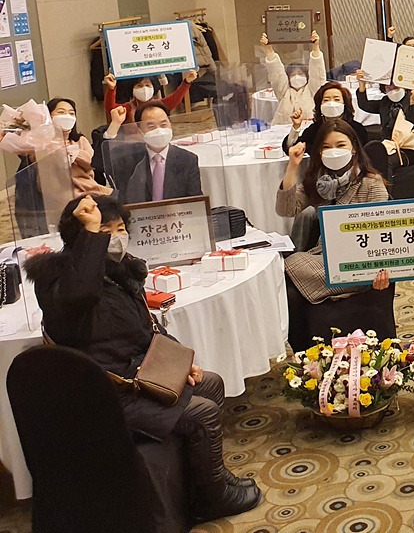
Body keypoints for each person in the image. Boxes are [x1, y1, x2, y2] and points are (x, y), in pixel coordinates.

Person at [26, 195, 261, 521]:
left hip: (137, 377)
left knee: (211, 384)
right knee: (202, 413)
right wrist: (91, 232)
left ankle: (206, 478)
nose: (115, 237)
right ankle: (212, 499)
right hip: (105, 395)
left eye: (119, 228)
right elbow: (81, 294)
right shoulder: (59, 283)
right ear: (81, 239)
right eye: (103, 231)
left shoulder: (119, 273)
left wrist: (182, 365)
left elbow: (146, 332)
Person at [276, 120, 392, 350]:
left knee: (289, 269)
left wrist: (382, 270)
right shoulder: (320, 181)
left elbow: (381, 232)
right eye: (327, 147)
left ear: (354, 148)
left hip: (359, 263)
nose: (334, 151)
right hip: (324, 257)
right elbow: (286, 209)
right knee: (284, 282)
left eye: (340, 145)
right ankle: (307, 353)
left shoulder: (371, 183)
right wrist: (292, 166)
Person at [103, 101, 202, 204]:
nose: (159, 131)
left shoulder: (187, 160)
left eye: (163, 125)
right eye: (151, 126)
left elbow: (196, 201)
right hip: (139, 213)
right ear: (140, 130)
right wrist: (115, 124)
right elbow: (102, 163)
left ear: (171, 125)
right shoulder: (128, 157)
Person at [283, 82, 369, 158]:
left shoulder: (356, 129)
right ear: (320, 105)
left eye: (336, 99)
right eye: (326, 100)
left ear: (345, 104)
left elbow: (363, 155)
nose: (331, 103)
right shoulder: (314, 130)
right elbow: (292, 148)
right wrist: (296, 127)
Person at [263, 32, 326, 126]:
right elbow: (276, 74)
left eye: (300, 73)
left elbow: (317, 73)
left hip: (308, 130)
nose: (297, 77)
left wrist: (316, 48)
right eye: (293, 75)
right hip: (283, 131)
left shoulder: (313, 90)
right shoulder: (283, 92)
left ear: (306, 76)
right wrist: (268, 50)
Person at [354, 70, 414, 143]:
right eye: (388, 88)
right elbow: (365, 105)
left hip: (408, 142)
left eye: (395, 87)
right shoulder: (385, 101)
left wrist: (412, 103)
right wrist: (362, 84)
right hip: (388, 141)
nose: (392, 90)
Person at [103, 70, 199, 125]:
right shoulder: (128, 108)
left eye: (148, 85)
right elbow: (111, 108)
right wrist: (111, 89)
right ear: (132, 89)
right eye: (139, 86)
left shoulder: (158, 105)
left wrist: (187, 82)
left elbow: (175, 99)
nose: (144, 88)